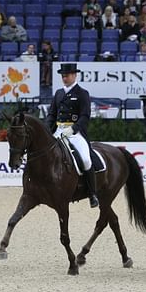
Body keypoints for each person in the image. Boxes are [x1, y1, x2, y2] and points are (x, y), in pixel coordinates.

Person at [45, 63, 99, 208]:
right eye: (62, 75)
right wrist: (47, 130)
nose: (64, 78)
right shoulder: (58, 93)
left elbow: (85, 116)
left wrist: (73, 128)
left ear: (74, 75)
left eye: (67, 75)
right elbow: (52, 114)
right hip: (58, 131)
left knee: (86, 160)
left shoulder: (82, 93)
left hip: (75, 133)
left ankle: (92, 194)